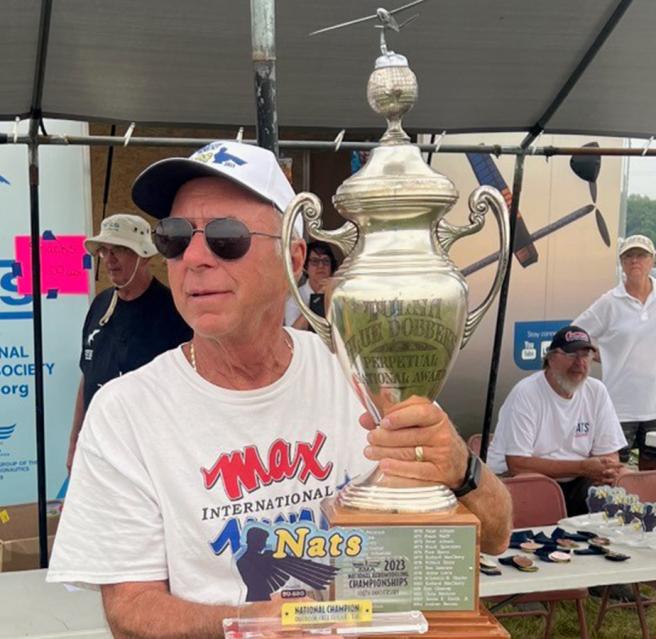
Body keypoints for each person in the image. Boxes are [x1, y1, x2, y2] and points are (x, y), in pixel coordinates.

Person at [48, 140, 511, 638]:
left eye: (226, 236)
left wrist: (463, 469)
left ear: (293, 258)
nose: (195, 257)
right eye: (175, 236)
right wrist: (246, 622)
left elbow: (497, 534)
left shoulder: (358, 373)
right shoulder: (124, 413)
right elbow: (130, 612)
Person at [66, 213, 192, 472]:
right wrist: (74, 443)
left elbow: (189, 394)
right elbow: (86, 377)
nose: (110, 260)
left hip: (149, 459)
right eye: (104, 251)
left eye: (120, 250)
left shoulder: (173, 312)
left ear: (144, 255)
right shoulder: (100, 305)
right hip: (97, 451)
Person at [487, 325, 627, 516]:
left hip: (577, 480)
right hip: (515, 481)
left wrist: (606, 469)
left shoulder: (596, 391)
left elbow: (610, 455)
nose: (580, 363)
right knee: (539, 489)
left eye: (586, 355)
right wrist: (583, 467)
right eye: (571, 355)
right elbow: (517, 464)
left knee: (613, 501)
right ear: (550, 358)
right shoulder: (526, 393)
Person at [574, 234, 656, 467]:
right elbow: (575, 333)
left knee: (652, 480)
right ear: (621, 263)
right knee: (613, 476)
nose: (635, 261)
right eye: (628, 256)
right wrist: (603, 356)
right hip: (620, 407)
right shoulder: (610, 302)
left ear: (652, 261)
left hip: (654, 406)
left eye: (641, 255)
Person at [284, 240, 337, 329]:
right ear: (305, 267)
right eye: (315, 261)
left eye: (325, 261)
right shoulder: (295, 298)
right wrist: (317, 299)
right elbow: (293, 332)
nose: (321, 266)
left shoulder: (339, 294)